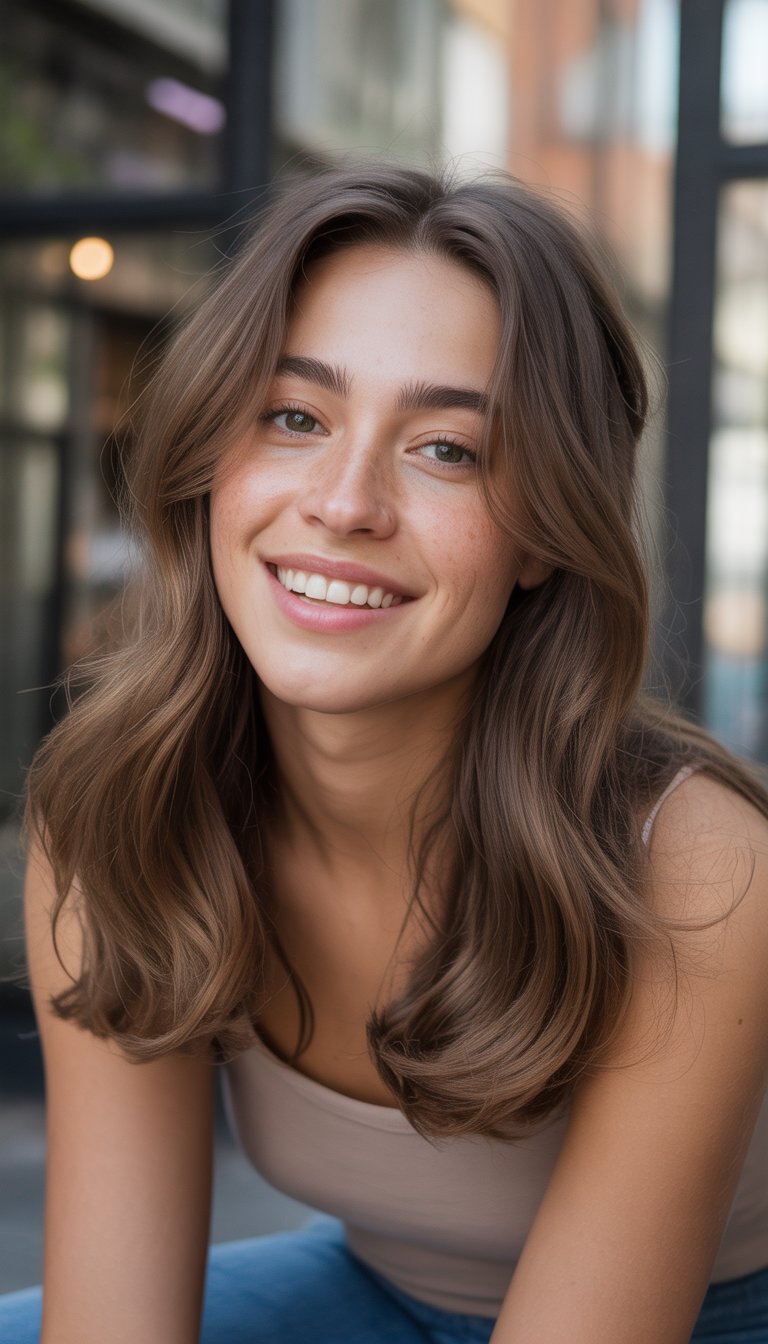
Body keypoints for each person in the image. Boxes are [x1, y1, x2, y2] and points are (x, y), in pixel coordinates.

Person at [2, 162, 768, 1344]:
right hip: (387, 1300)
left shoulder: (697, 866)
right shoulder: (120, 817)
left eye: (448, 449)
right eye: (296, 418)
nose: (345, 502)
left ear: (543, 538)